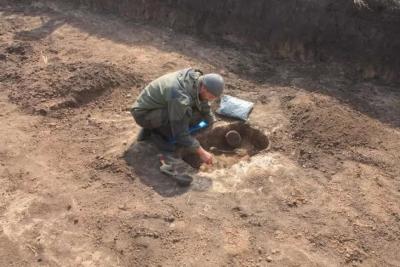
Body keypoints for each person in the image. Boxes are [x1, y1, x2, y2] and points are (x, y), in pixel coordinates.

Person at [130, 68, 224, 165]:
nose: (211, 99)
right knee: (185, 116)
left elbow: (202, 101)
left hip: (158, 106)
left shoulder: (196, 80)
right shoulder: (180, 96)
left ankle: (153, 128)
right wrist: (202, 152)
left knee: (196, 115)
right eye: (211, 96)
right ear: (204, 88)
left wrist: (210, 120)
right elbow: (181, 133)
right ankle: (157, 135)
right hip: (143, 114)